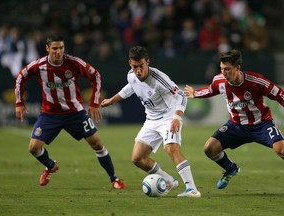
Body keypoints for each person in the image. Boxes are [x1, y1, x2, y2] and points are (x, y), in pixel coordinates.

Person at [14, 34, 125, 189]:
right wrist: (19, 102)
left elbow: (96, 76)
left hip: (75, 113)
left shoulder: (73, 62)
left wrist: (94, 102)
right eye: (54, 48)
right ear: (47, 49)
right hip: (50, 114)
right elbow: (21, 77)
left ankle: (114, 179)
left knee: (97, 143)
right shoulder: (39, 66)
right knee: (33, 147)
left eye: (61, 48)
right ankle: (51, 166)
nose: (58, 51)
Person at [101, 46, 201, 197]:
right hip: (151, 119)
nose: (138, 71)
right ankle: (169, 181)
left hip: (169, 117)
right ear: (130, 63)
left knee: (171, 149)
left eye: (141, 66)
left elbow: (181, 96)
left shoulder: (159, 78)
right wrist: (112, 100)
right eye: (135, 67)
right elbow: (130, 88)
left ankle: (192, 189)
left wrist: (177, 118)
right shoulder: (131, 75)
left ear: (147, 62)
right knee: (137, 158)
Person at [184, 49, 284, 189]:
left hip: (261, 124)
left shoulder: (257, 81)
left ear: (238, 68)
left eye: (227, 69)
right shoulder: (219, 81)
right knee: (209, 148)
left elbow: (280, 95)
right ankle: (231, 169)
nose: (224, 73)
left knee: (282, 150)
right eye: (222, 69)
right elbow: (212, 89)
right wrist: (196, 93)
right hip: (236, 126)